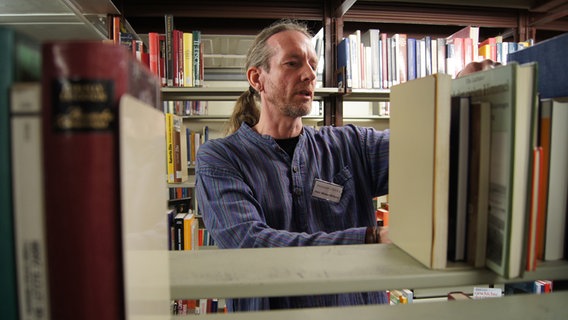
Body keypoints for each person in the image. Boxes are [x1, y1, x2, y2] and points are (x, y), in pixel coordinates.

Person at [195, 19, 495, 312]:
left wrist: (464, 95)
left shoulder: (351, 144)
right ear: (257, 78)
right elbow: (250, 244)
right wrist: (369, 237)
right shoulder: (220, 158)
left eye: (313, 64)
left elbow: (429, 148)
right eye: (293, 63)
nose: (309, 75)